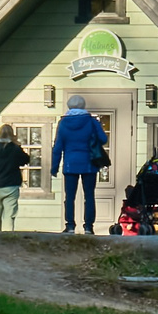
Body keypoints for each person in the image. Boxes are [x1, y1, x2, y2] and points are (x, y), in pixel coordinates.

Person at [49, 93, 109, 233]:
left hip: (70, 164)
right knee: (89, 196)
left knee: (69, 197)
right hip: (89, 164)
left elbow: (57, 147)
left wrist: (54, 167)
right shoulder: (92, 121)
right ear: (83, 106)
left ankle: (70, 225)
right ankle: (88, 226)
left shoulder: (63, 123)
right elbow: (103, 139)